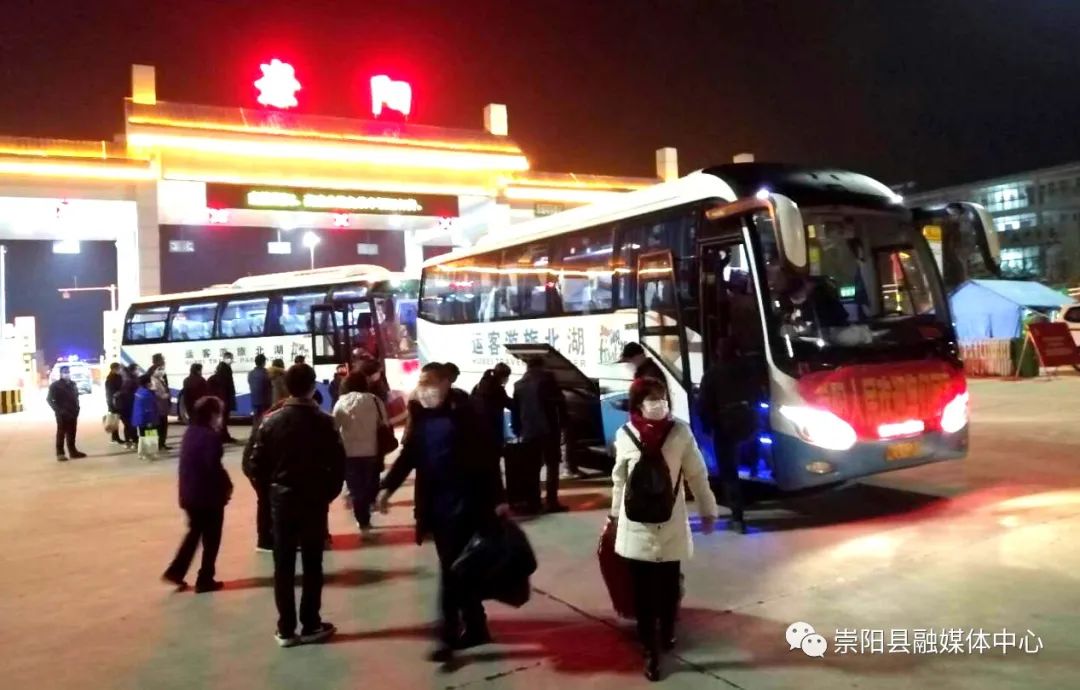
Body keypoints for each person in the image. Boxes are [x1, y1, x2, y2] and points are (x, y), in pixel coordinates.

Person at [377, 367, 508, 663]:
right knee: (460, 569)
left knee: (451, 571)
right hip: (436, 508)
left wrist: (499, 499)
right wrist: (387, 487)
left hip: (467, 504)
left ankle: (447, 635)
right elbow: (409, 455)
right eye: (422, 385)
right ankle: (476, 625)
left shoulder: (466, 413)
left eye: (431, 385)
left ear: (446, 384)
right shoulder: (421, 416)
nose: (425, 391)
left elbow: (487, 457)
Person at [610, 377, 719, 682]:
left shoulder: (680, 432)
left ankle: (668, 630)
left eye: (662, 396)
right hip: (636, 526)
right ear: (638, 403)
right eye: (651, 398)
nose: (658, 403)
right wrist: (614, 516)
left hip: (669, 522)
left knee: (669, 587)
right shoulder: (625, 435)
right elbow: (619, 480)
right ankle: (650, 650)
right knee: (643, 593)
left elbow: (697, 474)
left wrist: (707, 510)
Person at [248, 363, 345, 648]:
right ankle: (311, 623)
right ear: (313, 387)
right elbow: (338, 466)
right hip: (314, 501)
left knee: (284, 565)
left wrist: (271, 492)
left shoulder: (270, 421)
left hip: (282, 502)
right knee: (313, 563)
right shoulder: (324, 422)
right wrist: (327, 494)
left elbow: (255, 465)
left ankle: (286, 628)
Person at [162, 396, 232, 593]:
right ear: (212, 414)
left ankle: (176, 571)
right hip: (207, 496)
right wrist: (226, 486)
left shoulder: (190, 432)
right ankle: (205, 578)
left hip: (189, 494)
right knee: (212, 537)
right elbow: (213, 467)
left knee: (194, 533)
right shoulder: (211, 437)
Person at [698, 338, 761, 534]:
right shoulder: (749, 369)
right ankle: (754, 465)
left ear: (719, 352)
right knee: (748, 452)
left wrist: (708, 425)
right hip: (748, 421)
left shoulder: (712, 374)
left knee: (729, 471)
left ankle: (737, 518)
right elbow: (758, 394)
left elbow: (704, 404)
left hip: (724, 424)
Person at [333, 371, 389, 533]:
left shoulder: (341, 402)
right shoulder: (374, 400)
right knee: (370, 484)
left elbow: (335, 427)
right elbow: (383, 422)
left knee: (356, 489)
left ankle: (363, 521)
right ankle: (368, 507)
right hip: (372, 450)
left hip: (349, 453)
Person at [512, 357, 568, 513]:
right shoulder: (548, 380)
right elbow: (560, 403)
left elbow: (515, 410)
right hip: (549, 430)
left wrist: (517, 430)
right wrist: (564, 424)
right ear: (541, 366)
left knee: (532, 468)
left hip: (528, 432)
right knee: (552, 465)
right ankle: (551, 502)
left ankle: (534, 502)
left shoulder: (518, 385)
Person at [47, 365, 86, 461]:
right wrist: (58, 410)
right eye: (65, 372)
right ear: (61, 374)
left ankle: (73, 452)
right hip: (62, 414)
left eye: (68, 372)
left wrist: (77, 408)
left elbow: (76, 397)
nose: (67, 374)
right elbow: (49, 399)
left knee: (72, 432)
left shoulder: (73, 384)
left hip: (73, 412)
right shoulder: (55, 385)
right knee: (61, 433)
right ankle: (60, 453)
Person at [471, 363, 513, 452]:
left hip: (477, 429)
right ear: (503, 376)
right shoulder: (497, 389)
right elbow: (510, 404)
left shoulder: (478, 386)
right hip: (493, 430)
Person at [208, 355, 238, 443]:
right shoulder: (225, 374)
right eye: (230, 358)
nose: (232, 360)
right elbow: (226, 389)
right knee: (223, 419)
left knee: (222, 419)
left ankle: (224, 436)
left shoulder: (217, 375)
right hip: (224, 400)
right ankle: (223, 437)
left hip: (220, 400)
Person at [132, 373, 161, 448]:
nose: (152, 383)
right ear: (147, 383)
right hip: (147, 420)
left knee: (143, 436)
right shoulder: (147, 394)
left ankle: (143, 451)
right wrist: (150, 422)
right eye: (150, 381)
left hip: (140, 418)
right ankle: (149, 451)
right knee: (150, 437)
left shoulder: (139, 391)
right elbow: (149, 409)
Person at [149, 360, 173, 451]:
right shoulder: (153, 381)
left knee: (164, 426)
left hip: (163, 407)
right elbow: (155, 393)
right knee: (159, 427)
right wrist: (165, 395)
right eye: (159, 369)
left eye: (162, 369)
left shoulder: (160, 379)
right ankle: (158, 445)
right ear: (153, 371)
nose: (161, 371)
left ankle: (162, 444)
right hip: (158, 407)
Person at [116, 364, 140, 449]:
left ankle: (129, 442)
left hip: (125, 406)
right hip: (129, 406)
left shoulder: (127, 380)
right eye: (137, 369)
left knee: (128, 425)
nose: (138, 371)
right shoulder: (130, 380)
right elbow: (128, 394)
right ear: (133, 370)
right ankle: (134, 441)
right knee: (131, 425)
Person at [248, 353, 273, 425]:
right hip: (265, 402)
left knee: (256, 421)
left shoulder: (251, 373)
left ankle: (255, 432)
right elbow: (270, 386)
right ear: (264, 362)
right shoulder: (267, 373)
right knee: (265, 422)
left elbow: (250, 383)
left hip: (255, 401)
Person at [105, 362, 124, 445]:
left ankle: (115, 437)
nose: (119, 370)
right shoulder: (110, 379)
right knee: (115, 421)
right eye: (118, 368)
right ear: (113, 369)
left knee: (116, 421)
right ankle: (115, 438)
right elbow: (109, 393)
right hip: (114, 403)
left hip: (119, 402)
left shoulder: (118, 377)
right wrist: (110, 405)